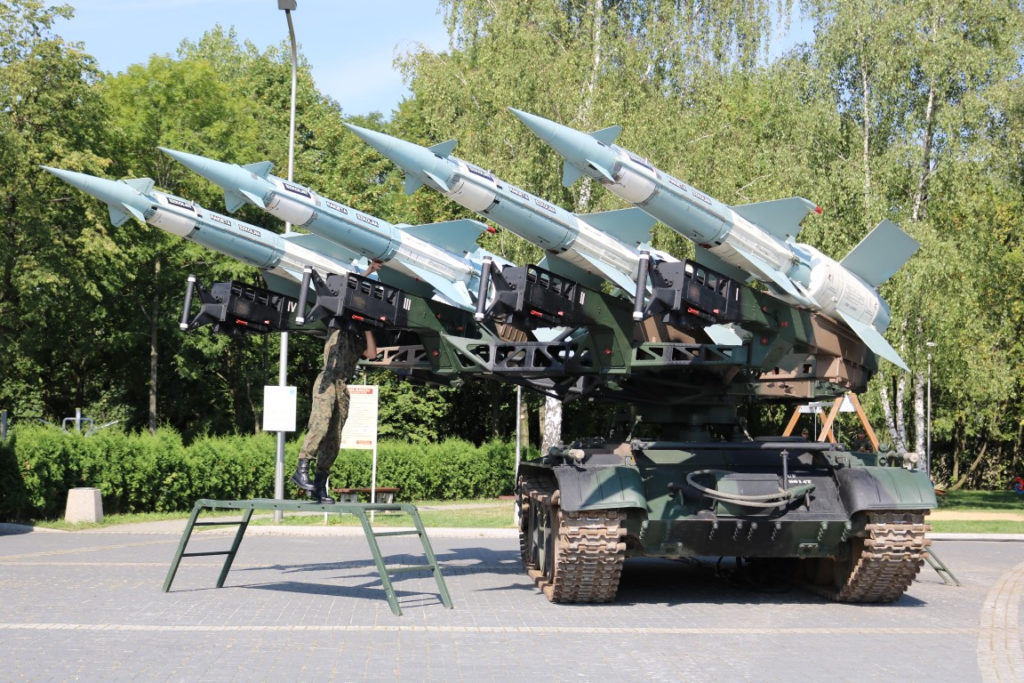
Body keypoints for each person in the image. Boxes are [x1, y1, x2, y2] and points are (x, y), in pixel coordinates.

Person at [290, 261, 381, 503]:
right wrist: (368, 272)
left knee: (334, 437)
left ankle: (319, 485)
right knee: (320, 425)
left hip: (343, 386)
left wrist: (367, 327)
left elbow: (372, 354)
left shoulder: (357, 336)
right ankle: (301, 469)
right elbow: (348, 291)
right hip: (328, 379)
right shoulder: (337, 323)